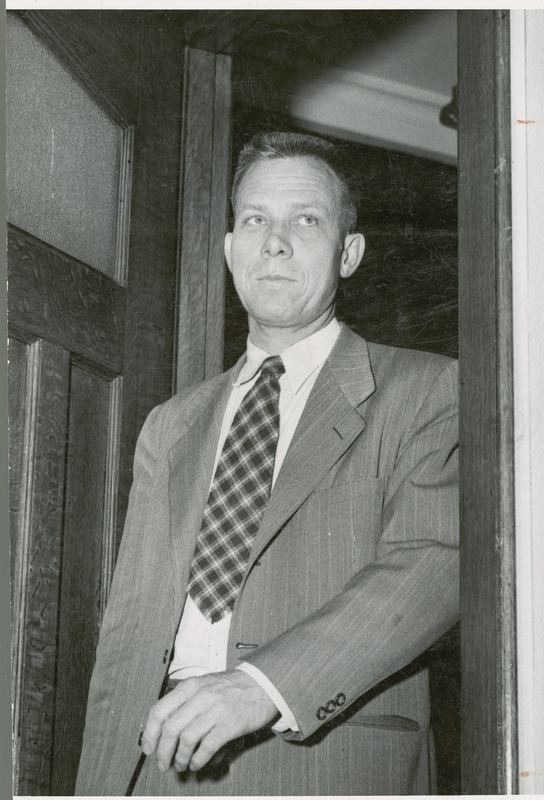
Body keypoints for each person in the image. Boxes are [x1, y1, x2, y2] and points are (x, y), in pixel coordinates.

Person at [75, 131, 459, 796]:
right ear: (230, 250)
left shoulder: (430, 389)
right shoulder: (171, 423)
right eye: (255, 220)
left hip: (321, 764)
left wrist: (259, 687)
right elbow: (130, 632)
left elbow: (435, 562)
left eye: (305, 220)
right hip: (161, 768)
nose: (274, 242)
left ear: (350, 253)